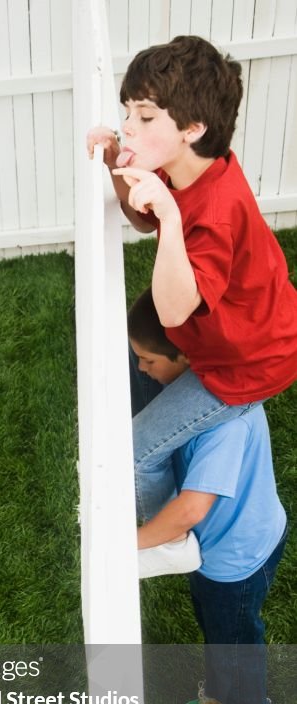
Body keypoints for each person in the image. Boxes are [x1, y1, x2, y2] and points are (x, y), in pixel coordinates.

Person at [87, 34, 297, 532]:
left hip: (247, 363)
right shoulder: (189, 168)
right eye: (127, 113)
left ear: (193, 127)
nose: (128, 127)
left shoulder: (213, 214)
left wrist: (171, 217)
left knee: (137, 450)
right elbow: (142, 221)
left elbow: (174, 310)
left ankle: (161, 534)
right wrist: (120, 162)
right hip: (237, 330)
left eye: (144, 116)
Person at [129, 288, 288, 704]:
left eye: (149, 361)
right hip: (222, 547)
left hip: (237, 557)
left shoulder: (224, 426)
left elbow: (193, 509)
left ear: (184, 357)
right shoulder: (199, 404)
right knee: (215, 625)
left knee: (235, 637)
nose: (141, 370)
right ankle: (221, 690)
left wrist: (131, 542)